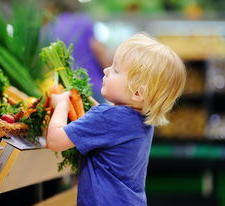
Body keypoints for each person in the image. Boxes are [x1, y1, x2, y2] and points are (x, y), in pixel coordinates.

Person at [46, 33, 186, 206]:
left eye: (115, 70)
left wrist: (61, 104)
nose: (106, 70)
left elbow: (54, 140)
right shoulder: (141, 122)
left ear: (137, 93)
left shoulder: (107, 117)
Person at [41, 0, 111, 103]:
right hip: (90, 85)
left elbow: (45, 65)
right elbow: (98, 50)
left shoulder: (48, 28)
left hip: (62, 90)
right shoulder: (84, 22)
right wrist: (111, 72)